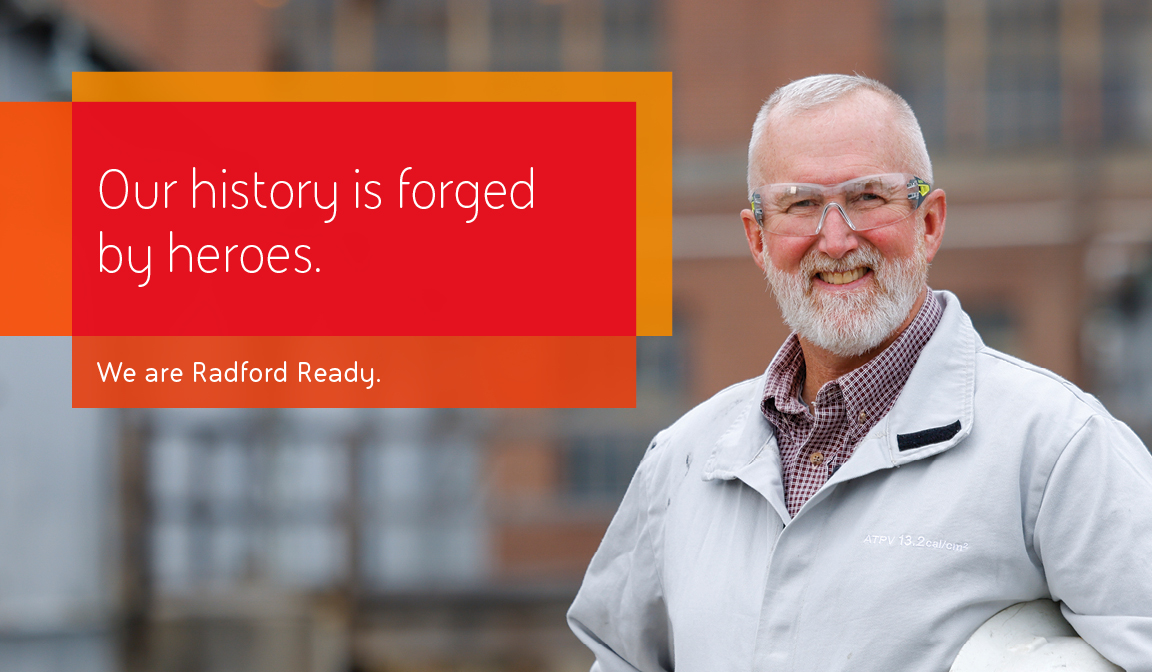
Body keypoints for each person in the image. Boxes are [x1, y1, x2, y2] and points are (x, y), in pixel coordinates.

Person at [567, 74, 1152, 671]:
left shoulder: (1055, 449)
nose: (837, 239)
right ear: (757, 239)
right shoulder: (684, 463)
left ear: (929, 223)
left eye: (869, 197)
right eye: (800, 204)